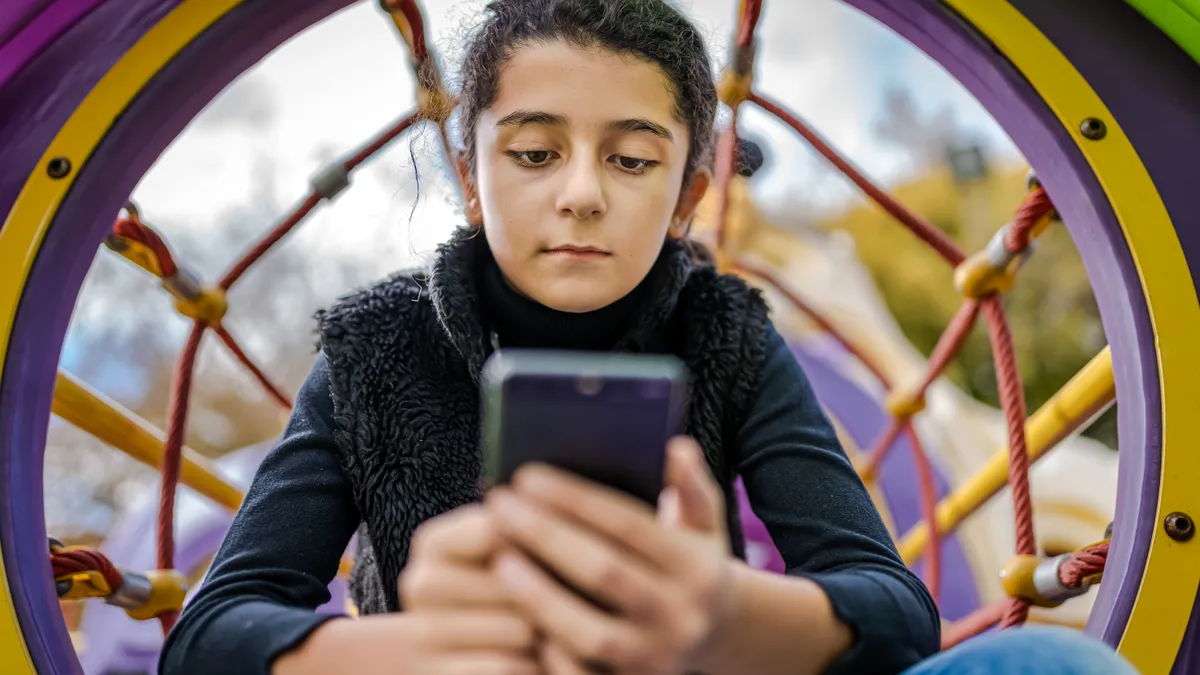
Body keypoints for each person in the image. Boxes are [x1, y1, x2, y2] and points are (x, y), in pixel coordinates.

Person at [158, 1, 1138, 674]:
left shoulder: (726, 335)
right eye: (535, 153)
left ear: (687, 198)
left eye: (631, 159)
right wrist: (422, 651)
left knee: (1052, 659)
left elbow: (891, 605)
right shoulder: (377, 347)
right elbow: (208, 638)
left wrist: (723, 617)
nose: (581, 192)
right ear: (470, 173)